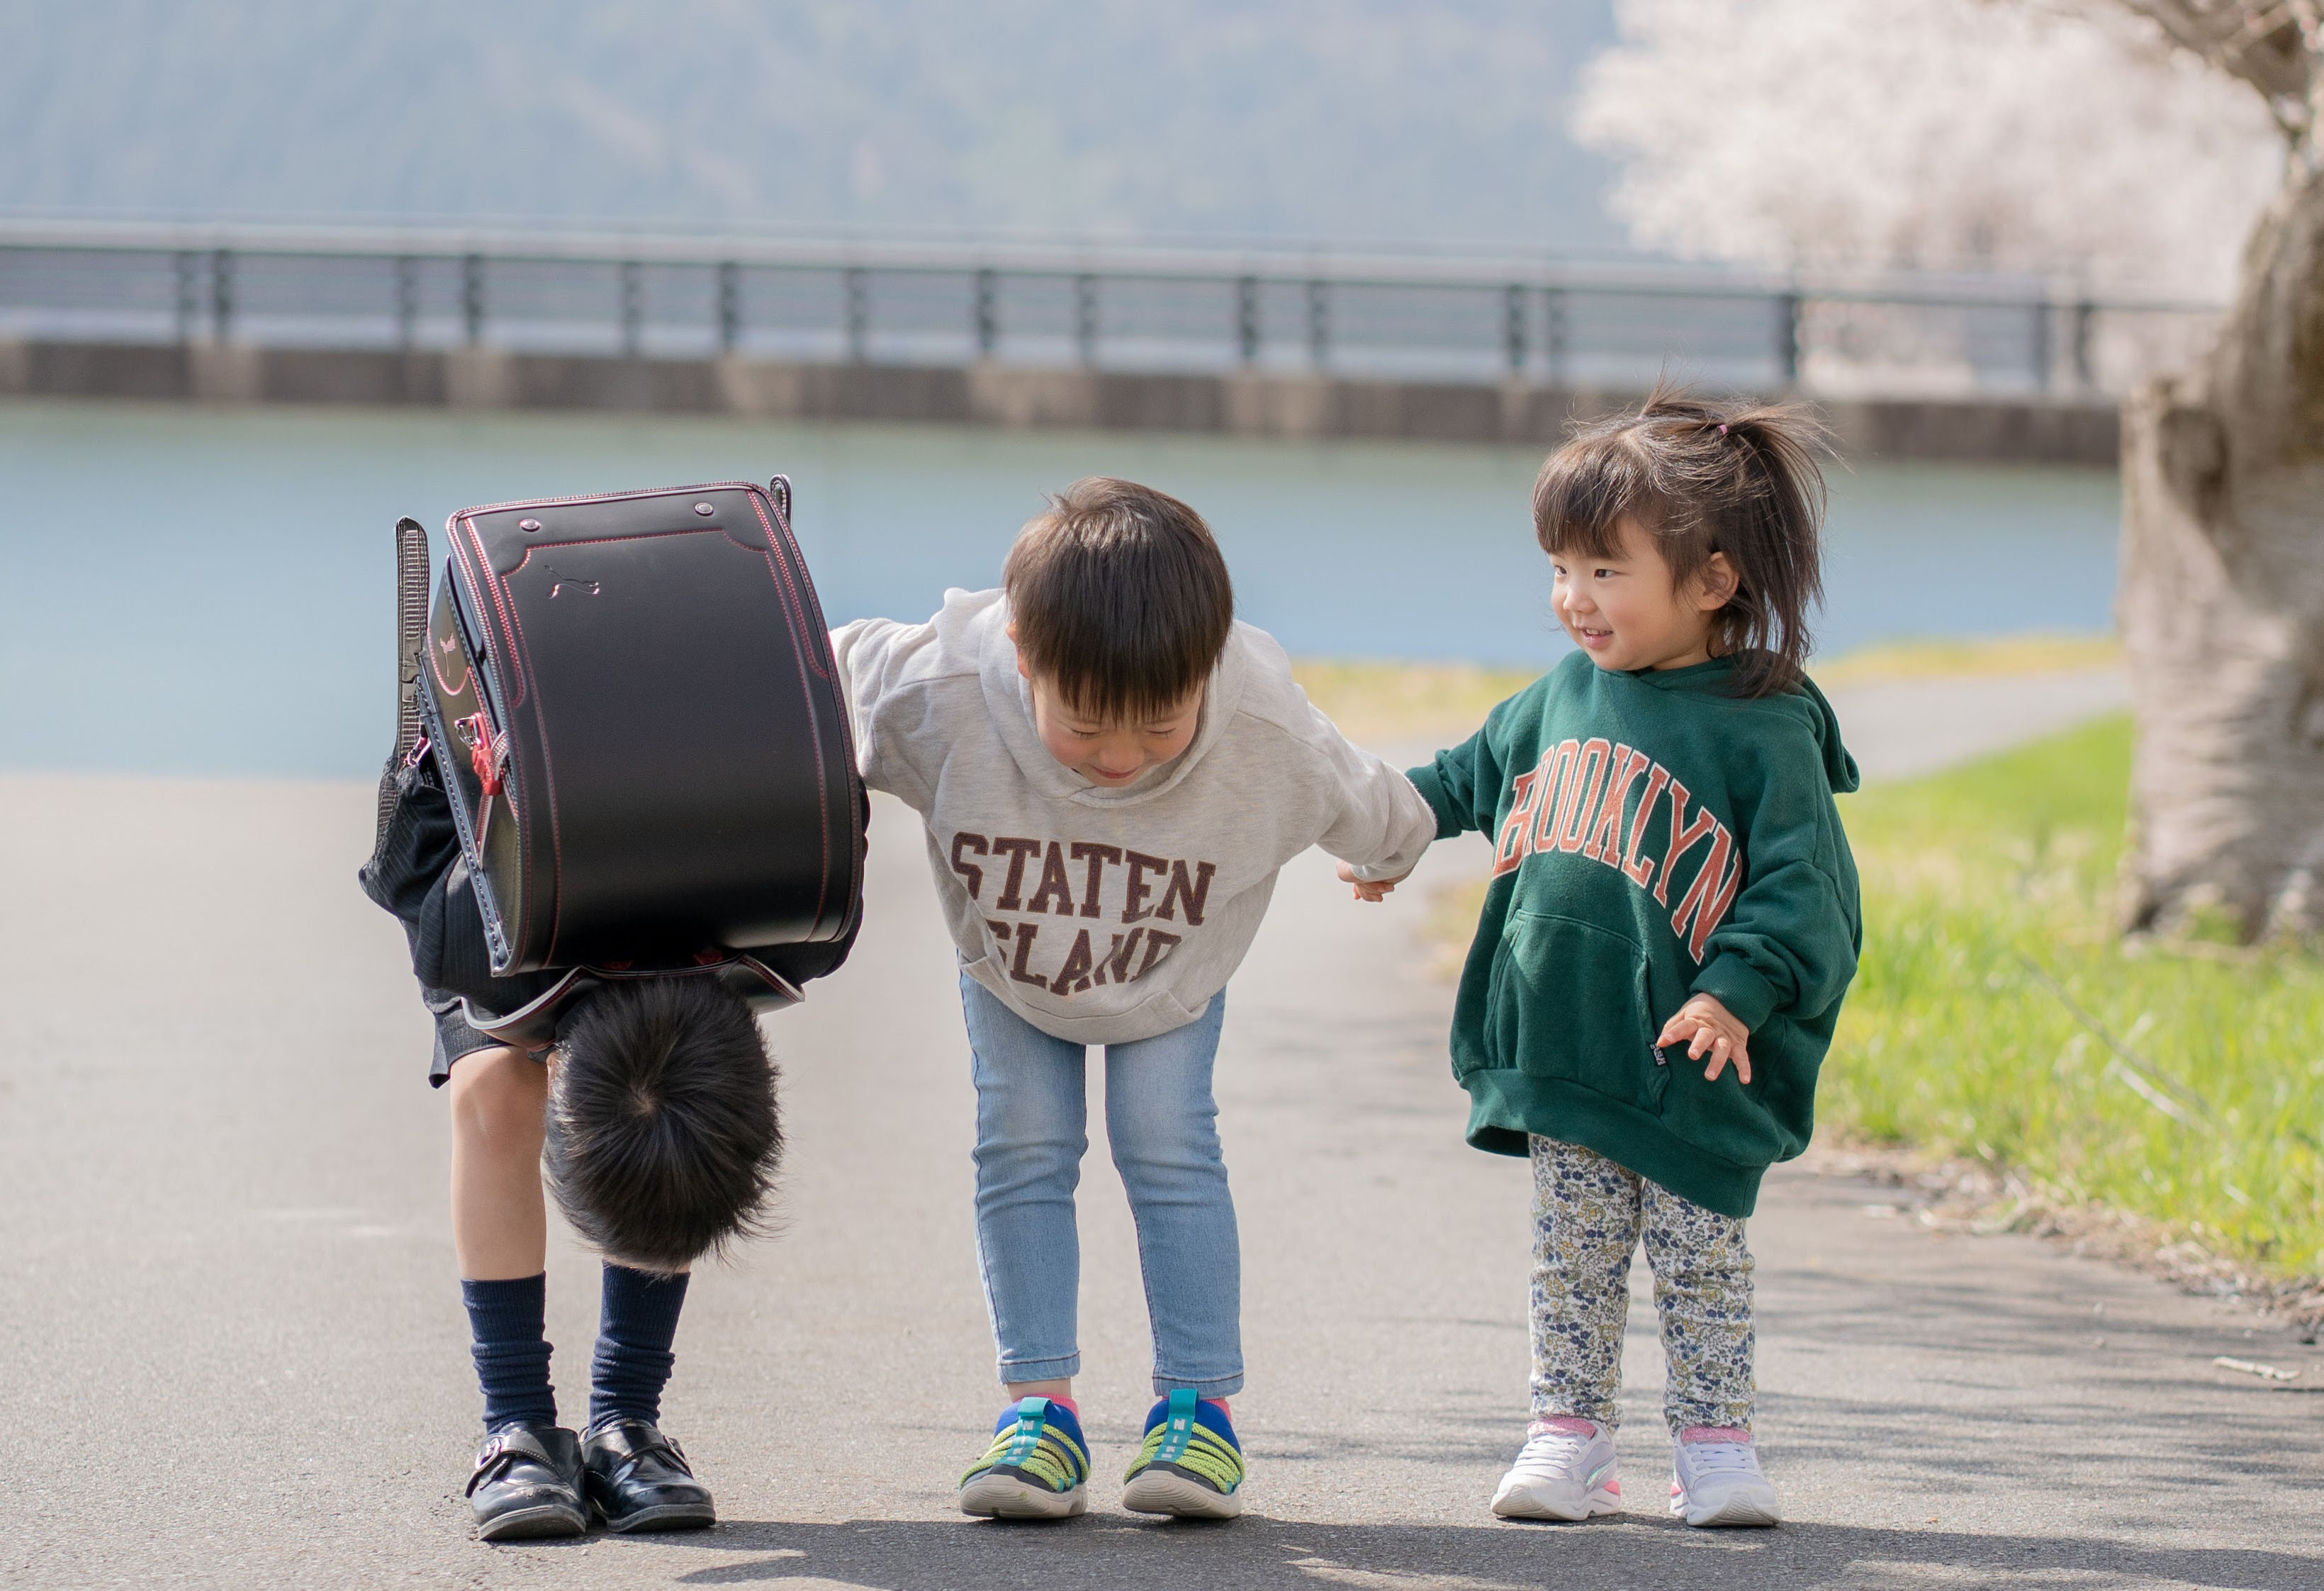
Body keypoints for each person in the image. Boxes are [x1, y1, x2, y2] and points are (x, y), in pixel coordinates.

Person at [831, 476, 1435, 1520]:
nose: (1118, 759)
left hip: (1167, 980)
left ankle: (1199, 1412)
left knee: (1165, 1143)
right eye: (1089, 728)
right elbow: (807, 672)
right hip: (1015, 974)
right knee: (1020, 1145)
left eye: (1157, 729)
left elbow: (1363, 794)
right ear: (1023, 656)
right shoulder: (935, 687)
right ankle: (1040, 1413)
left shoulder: (1259, 721)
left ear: (1204, 670)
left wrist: (1393, 851)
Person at [1347, 390, 1860, 1528]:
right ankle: (1565, 1436)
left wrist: (1737, 992)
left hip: (1692, 1063)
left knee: (1697, 1261)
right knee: (1568, 1260)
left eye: (1603, 570)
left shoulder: (1761, 725)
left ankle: (1716, 1445)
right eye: (1559, 567)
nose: (1570, 598)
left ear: (1712, 582)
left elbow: (1801, 891)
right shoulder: (1555, 697)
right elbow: (1460, 779)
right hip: (1568, 1046)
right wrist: (1386, 837)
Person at [359, 748, 842, 1542]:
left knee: (681, 1103)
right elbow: (404, 871)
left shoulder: (795, 917)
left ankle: (625, 1417)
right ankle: (516, 1424)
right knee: (494, 1087)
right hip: (495, 851)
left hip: (689, 841)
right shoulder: (463, 933)